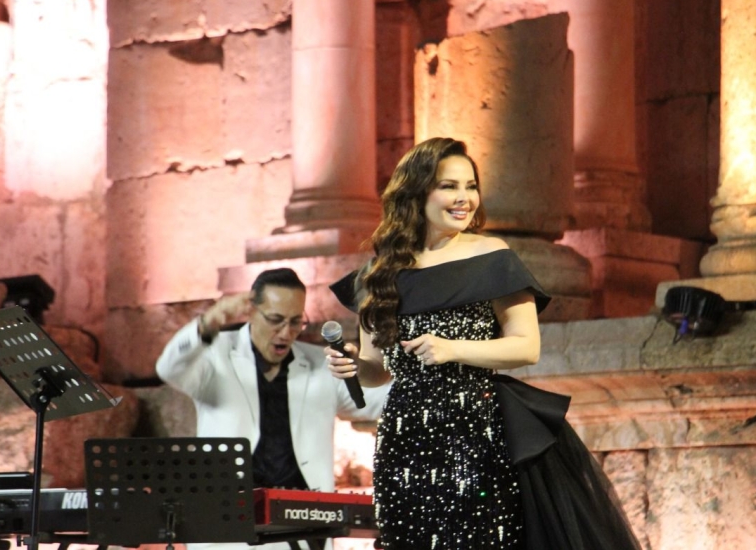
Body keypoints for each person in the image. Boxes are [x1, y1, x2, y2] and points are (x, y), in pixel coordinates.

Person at [325, 138, 642, 549]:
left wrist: (453, 349)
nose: (465, 198)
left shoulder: (492, 257)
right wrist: (353, 364)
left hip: (476, 431)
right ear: (416, 193)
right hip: (404, 441)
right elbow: (376, 371)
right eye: (449, 186)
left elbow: (526, 347)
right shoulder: (378, 273)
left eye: (470, 186)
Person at [156, 267, 389, 550]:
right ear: (252, 312)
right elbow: (169, 368)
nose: (285, 332)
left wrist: (372, 364)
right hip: (230, 530)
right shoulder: (215, 355)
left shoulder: (320, 365)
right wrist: (209, 322)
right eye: (276, 320)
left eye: (295, 322)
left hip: (305, 526)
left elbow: (383, 400)